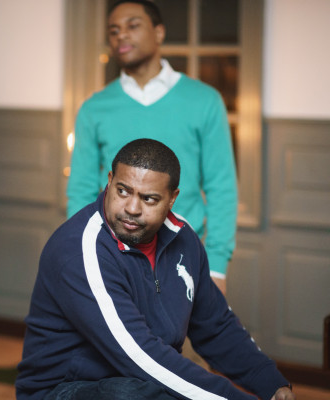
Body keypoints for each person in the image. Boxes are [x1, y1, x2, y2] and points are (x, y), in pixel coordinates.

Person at [16, 139, 293, 400]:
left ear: (172, 199)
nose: (132, 208)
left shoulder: (183, 238)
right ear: (110, 181)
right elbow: (140, 356)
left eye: (149, 199)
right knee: (135, 394)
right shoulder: (80, 249)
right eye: (122, 191)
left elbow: (216, 326)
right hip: (63, 390)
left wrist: (270, 382)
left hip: (140, 379)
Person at [66, 0, 237, 294]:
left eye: (132, 26)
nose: (121, 36)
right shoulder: (94, 108)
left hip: (181, 254)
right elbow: (80, 189)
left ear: (159, 32)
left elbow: (221, 187)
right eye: (114, 30)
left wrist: (218, 265)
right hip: (111, 252)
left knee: (172, 340)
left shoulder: (204, 101)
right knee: (110, 339)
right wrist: (81, 253)